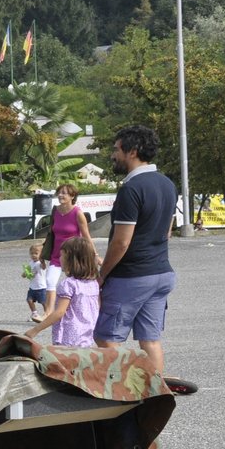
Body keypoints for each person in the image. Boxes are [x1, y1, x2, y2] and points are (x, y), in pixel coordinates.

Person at [95, 125, 183, 384]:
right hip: (162, 273)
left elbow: (121, 242)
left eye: (116, 149)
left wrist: (102, 274)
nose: (113, 155)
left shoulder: (131, 189)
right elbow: (167, 231)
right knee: (150, 340)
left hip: (131, 277)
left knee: (106, 338)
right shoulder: (167, 184)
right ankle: (155, 391)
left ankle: (128, 386)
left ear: (131, 151)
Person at [27, 235, 101, 346]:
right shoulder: (93, 283)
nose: (59, 258)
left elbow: (59, 312)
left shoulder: (68, 284)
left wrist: (35, 330)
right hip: (87, 335)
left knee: (64, 363)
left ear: (71, 259)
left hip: (68, 338)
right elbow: (97, 307)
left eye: (62, 255)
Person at [42, 183, 93, 264]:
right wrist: (42, 252)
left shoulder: (78, 213)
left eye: (63, 193)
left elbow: (86, 236)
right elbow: (50, 234)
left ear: (72, 196)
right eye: (59, 193)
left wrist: (94, 254)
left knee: (72, 277)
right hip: (56, 256)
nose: (60, 195)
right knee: (49, 277)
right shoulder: (55, 211)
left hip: (73, 256)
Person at [24, 243, 49, 322]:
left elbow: (43, 267)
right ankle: (34, 313)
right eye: (31, 253)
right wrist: (24, 274)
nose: (33, 255)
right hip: (32, 287)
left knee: (43, 302)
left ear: (41, 255)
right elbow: (26, 272)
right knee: (29, 300)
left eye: (36, 253)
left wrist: (42, 261)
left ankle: (47, 314)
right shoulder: (31, 263)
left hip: (41, 287)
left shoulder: (40, 263)